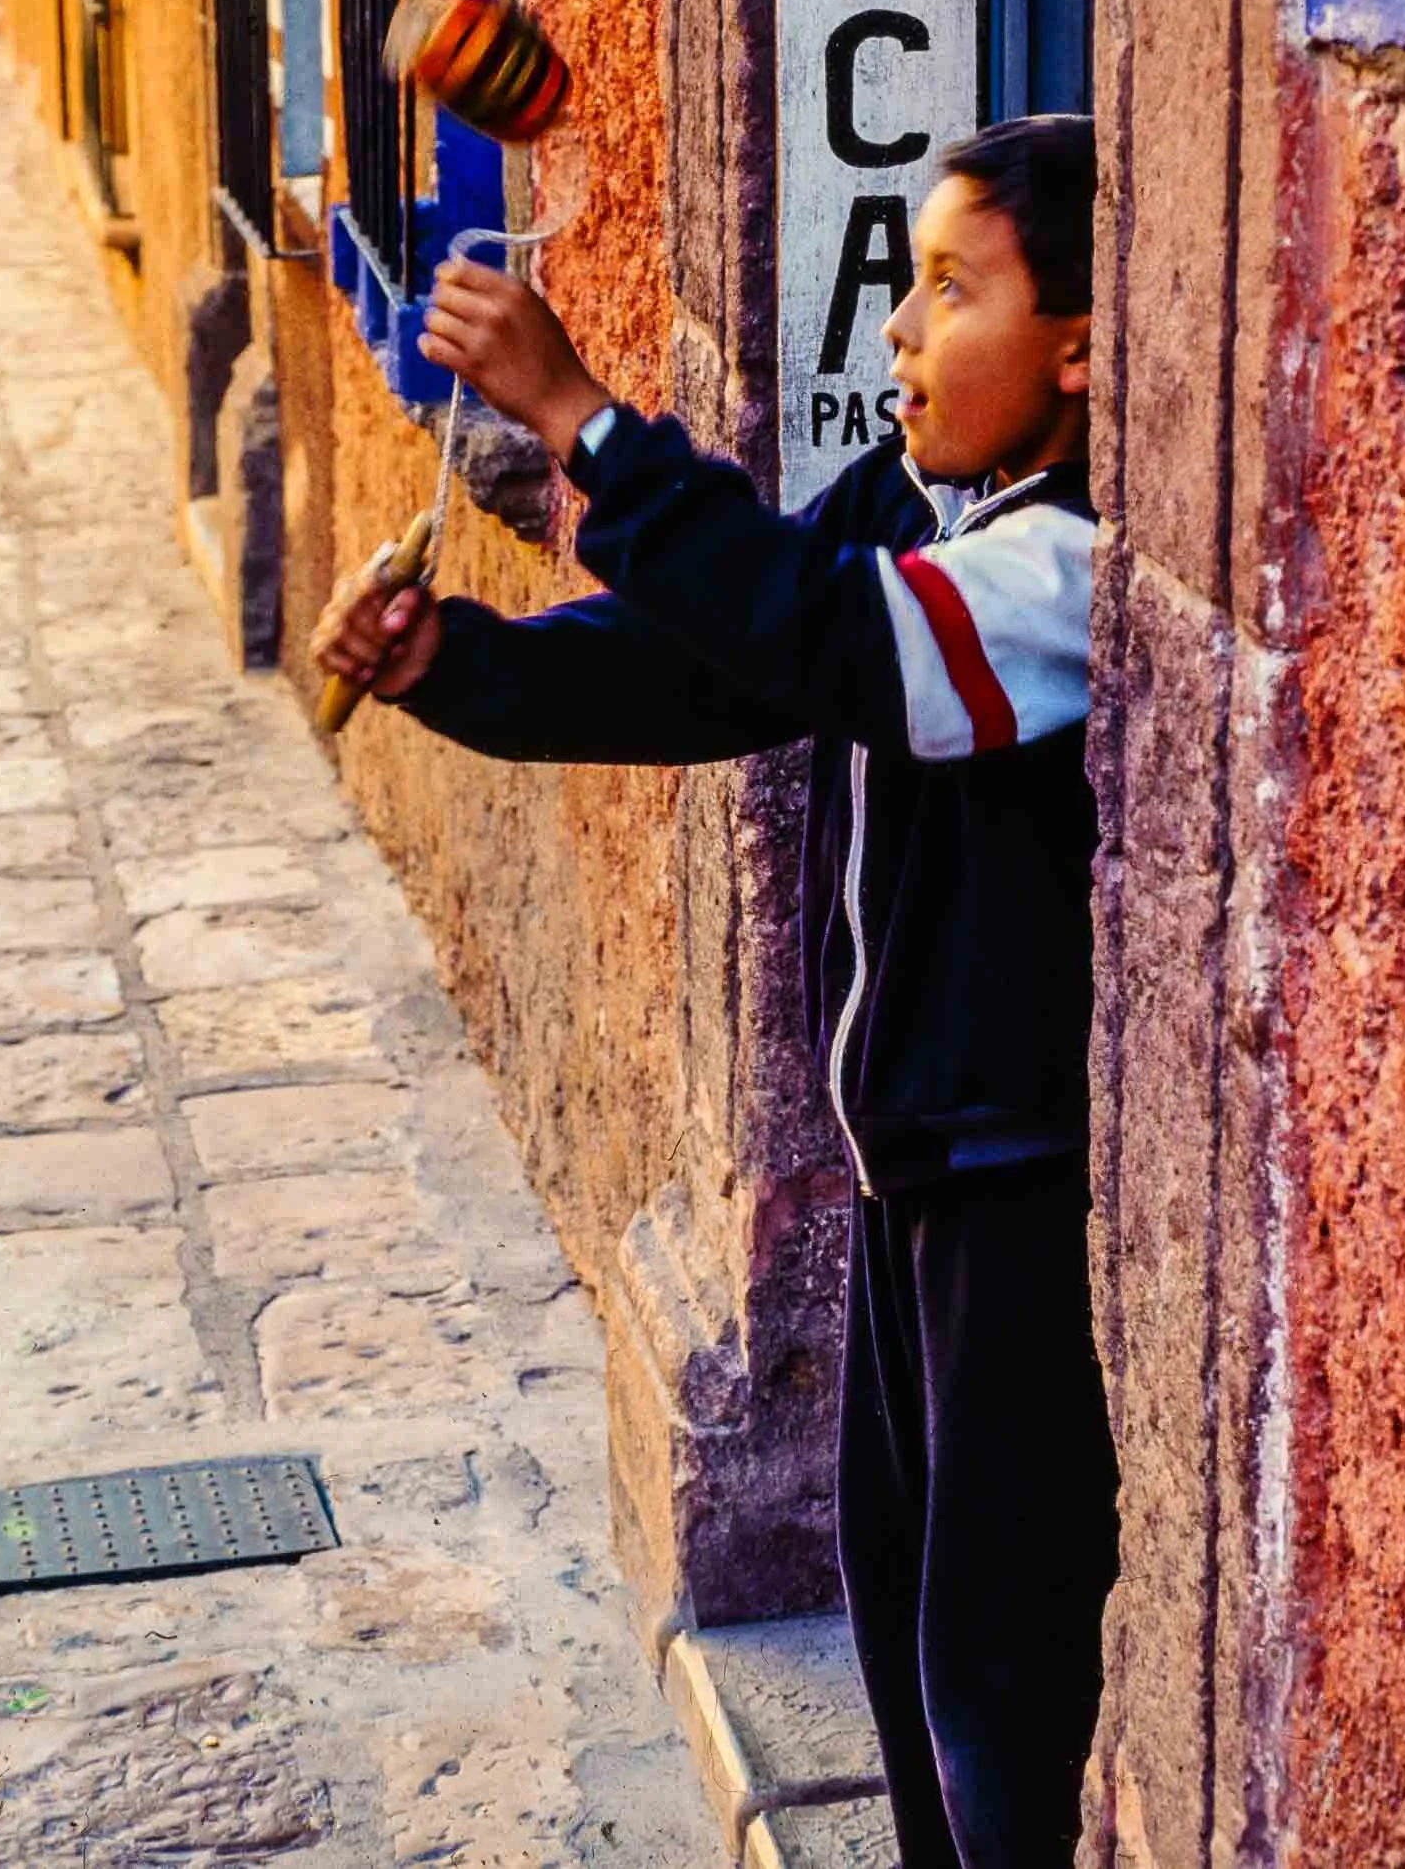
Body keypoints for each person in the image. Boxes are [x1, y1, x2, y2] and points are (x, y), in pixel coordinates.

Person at [312, 115, 1119, 1869]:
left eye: (951, 291)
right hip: (913, 1180)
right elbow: (714, 665)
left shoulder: (1064, 570)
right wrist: (469, 669)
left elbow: (837, 643)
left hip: (1015, 1204)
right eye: (906, 288)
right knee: (903, 1617)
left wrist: (583, 423)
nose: (899, 332)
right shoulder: (923, 501)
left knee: (998, 1666)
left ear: (1081, 349)